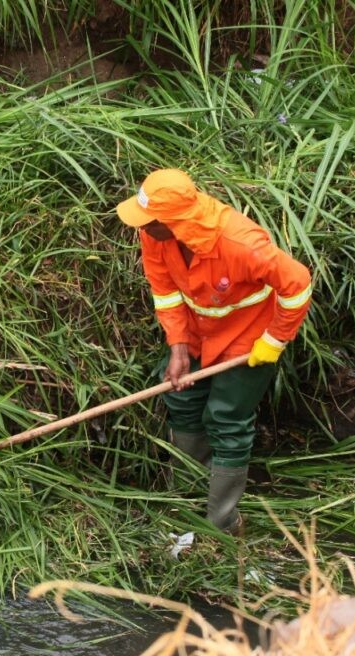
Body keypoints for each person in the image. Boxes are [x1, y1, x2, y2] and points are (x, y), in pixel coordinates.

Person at [115, 168, 312, 533]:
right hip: (194, 334)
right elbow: (164, 290)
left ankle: (221, 525)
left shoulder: (241, 244)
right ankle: (184, 506)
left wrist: (273, 340)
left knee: (227, 418)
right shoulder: (155, 236)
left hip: (246, 341)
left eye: (149, 221)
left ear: (175, 222)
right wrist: (177, 346)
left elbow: (297, 284)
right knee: (182, 401)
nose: (140, 228)